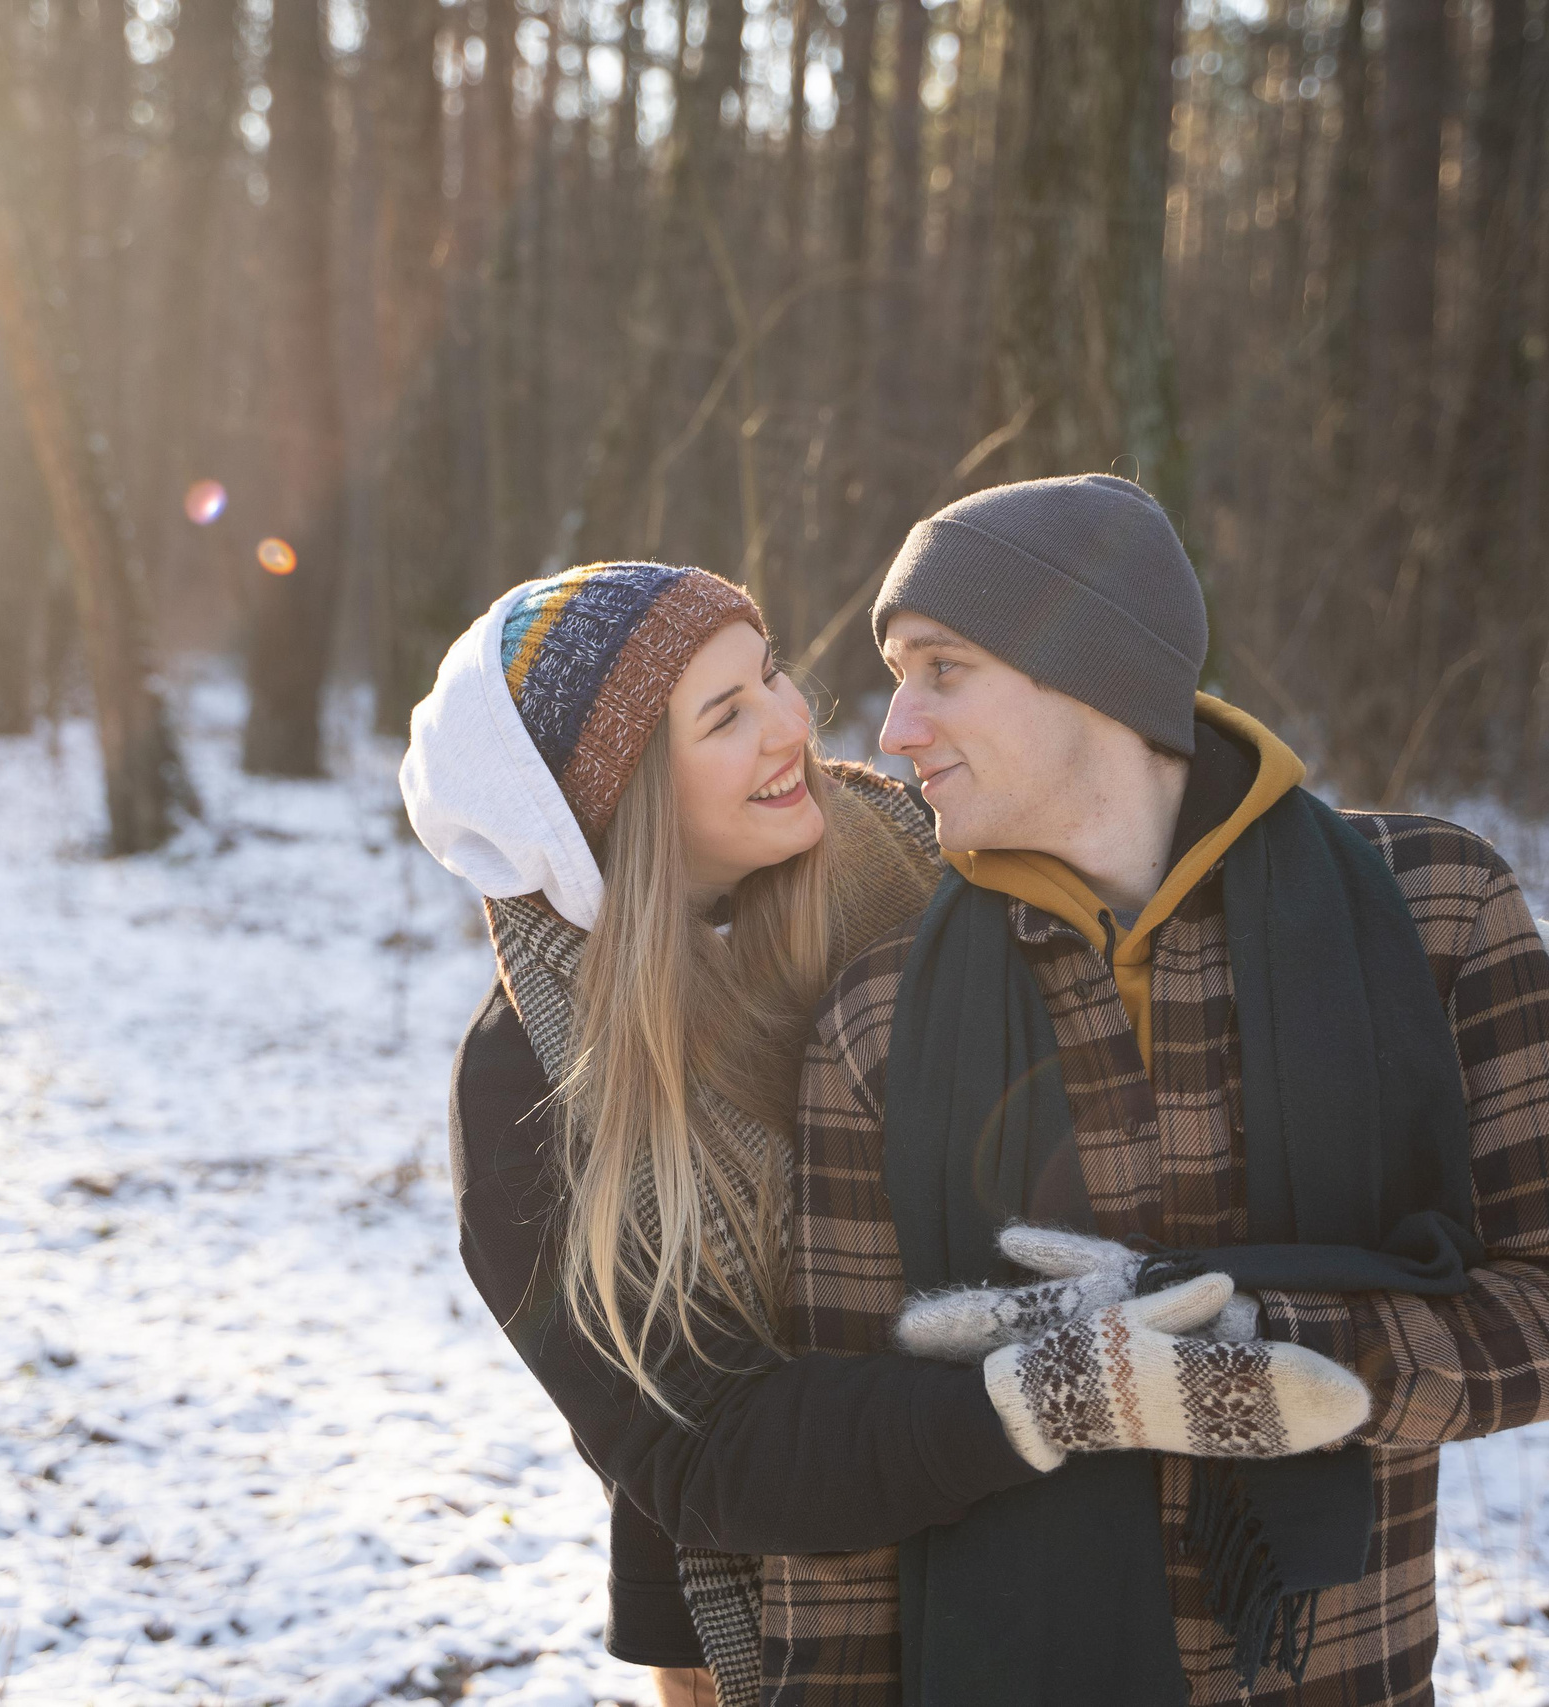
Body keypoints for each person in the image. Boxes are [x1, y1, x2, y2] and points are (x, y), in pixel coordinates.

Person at [765, 475, 1549, 1705]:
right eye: (898, 677)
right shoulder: (881, 1016)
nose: (896, 728)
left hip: (1335, 1675)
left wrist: (1250, 1352)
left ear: (1089, 669)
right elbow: (850, 1453)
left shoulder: (1428, 910)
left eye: (942, 670)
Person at [400, 564, 1057, 1707]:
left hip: (1048, 1544)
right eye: (725, 716)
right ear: (622, 801)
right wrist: (1043, 1400)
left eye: (771, 674)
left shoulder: (915, 854)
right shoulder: (530, 1092)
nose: (792, 723)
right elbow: (695, 1444)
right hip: (765, 1609)